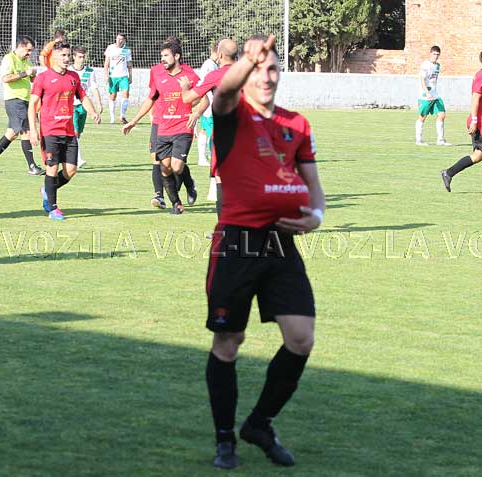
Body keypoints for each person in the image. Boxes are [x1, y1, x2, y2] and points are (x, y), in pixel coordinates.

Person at [205, 34, 325, 469]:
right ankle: (224, 440)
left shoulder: (298, 124)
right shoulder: (232, 115)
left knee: (301, 337)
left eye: (273, 68)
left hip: (280, 244)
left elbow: (315, 189)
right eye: (258, 69)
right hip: (236, 242)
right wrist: (247, 61)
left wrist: (316, 217)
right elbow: (223, 92)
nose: (267, 76)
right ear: (245, 72)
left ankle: (259, 423)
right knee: (229, 341)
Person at [123, 41, 202, 215]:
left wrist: (192, 111)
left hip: (181, 125)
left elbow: (203, 97)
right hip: (160, 124)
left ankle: (186, 185)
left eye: (166, 55)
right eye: (162, 56)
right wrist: (134, 120)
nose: (162, 59)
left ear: (177, 56)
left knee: (176, 165)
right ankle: (167, 199)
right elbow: (151, 98)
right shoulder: (157, 73)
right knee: (161, 164)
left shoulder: (188, 74)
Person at [28, 41, 100, 220]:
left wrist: (93, 112)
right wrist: (33, 130)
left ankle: (47, 189)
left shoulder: (73, 77)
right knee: (52, 168)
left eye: (68, 55)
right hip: (50, 131)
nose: (67, 59)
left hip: (68, 132)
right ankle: (53, 209)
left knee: (71, 170)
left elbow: (83, 97)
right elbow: (32, 105)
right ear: (54, 56)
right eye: (63, 55)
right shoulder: (43, 78)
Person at [181, 39, 238, 213]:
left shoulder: (215, 75)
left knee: (221, 180)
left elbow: (188, 98)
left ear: (220, 54)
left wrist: (185, 87)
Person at [0, 35, 43, 176]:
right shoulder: (9, 59)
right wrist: (24, 73)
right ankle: (32, 166)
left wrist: (33, 75)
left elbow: (30, 79)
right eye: (28, 50)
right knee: (26, 132)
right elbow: (6, 78)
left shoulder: (26, 61)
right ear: (20, 46)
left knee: (11, 133)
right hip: (15, 100)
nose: (29, 54)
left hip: (25, 100)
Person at [440, 51, 482, 191]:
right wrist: (474, 120)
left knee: (477, 156)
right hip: (479, 123)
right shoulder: (481, 76)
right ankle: (448, 173)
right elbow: (475, 98)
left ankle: (448, 173)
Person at [69, 46, 103, 168]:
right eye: (79, 57)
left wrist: (99, 103)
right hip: (71, 105)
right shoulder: (69, 71)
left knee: (78, 134)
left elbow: (94, 87)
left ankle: (71, 155)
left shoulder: (89, 71)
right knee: (74, 132)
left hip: (83, 105)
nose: (82, 59)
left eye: (83, 57)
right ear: (74, 57)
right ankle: (78, 160)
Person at [416, 46, 451, 146]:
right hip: (425, 96)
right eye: (434, 54)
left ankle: (440, 140)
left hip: (435, 95)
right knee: (422, 117)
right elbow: (422, 80)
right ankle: (419, 140)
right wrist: (427, 92)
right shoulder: (425, 65)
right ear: (430, 53)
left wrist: (432, 92)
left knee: (442, 114)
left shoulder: (438, 66)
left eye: (437, 54)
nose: (436, 56)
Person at [195, 42, 219, 167]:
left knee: (207, 130)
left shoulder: (213, 64)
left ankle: (207, 155)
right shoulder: (209, 65)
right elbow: (206, 85)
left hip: (211, 103)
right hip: (209, 104)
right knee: (208, 130)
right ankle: (203, 158)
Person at [104, 33, 132, 124]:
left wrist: (130, 76)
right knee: (113, 96)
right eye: (118, 38)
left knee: (126, 93)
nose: (119, 41)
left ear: (124, 41)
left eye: (121, 39)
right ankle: (112, 118)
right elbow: (106, 63)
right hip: (113, 76)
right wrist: (106, 75)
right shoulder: (110, 48)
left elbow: (129, 64)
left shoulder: (127, 50)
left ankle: (122, 116)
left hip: (123, 76)